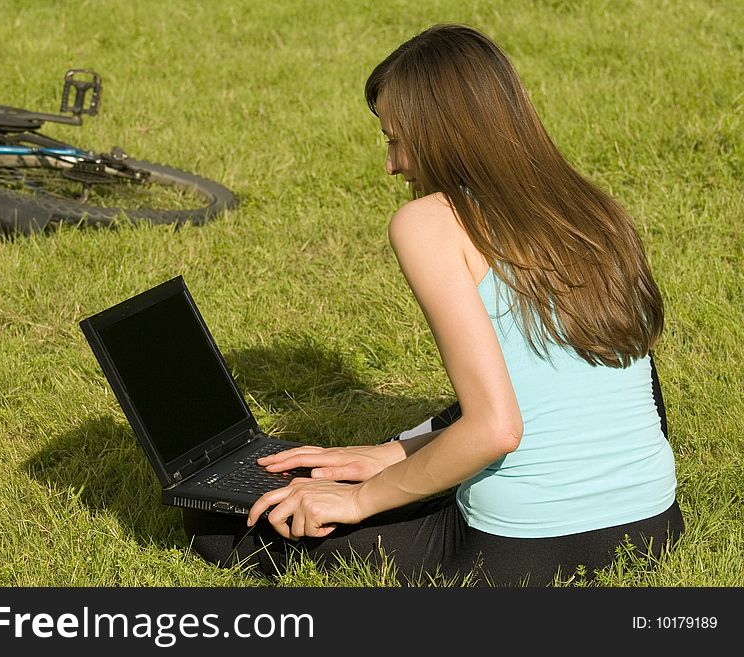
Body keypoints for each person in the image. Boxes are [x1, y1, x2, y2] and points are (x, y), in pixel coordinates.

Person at [182, 23, 684, 586]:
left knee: (220, 522)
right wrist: (392, 454)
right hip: (652, 523)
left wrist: (358, 500)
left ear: (443, 134)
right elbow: (562, 395)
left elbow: (497, 429)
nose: (392, 164)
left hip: (526, 545)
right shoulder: (593, 211)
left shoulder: (431, 222)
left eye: (396, 139)